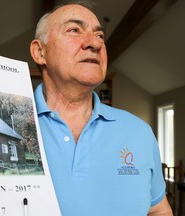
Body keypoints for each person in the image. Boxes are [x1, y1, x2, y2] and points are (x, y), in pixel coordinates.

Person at [30, 1, 173, 215]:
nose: (94, 44)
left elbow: (158, 210)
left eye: (99, 36)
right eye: (74, 30)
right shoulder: (8, 121)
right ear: (40, 52)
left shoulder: (140, 132)